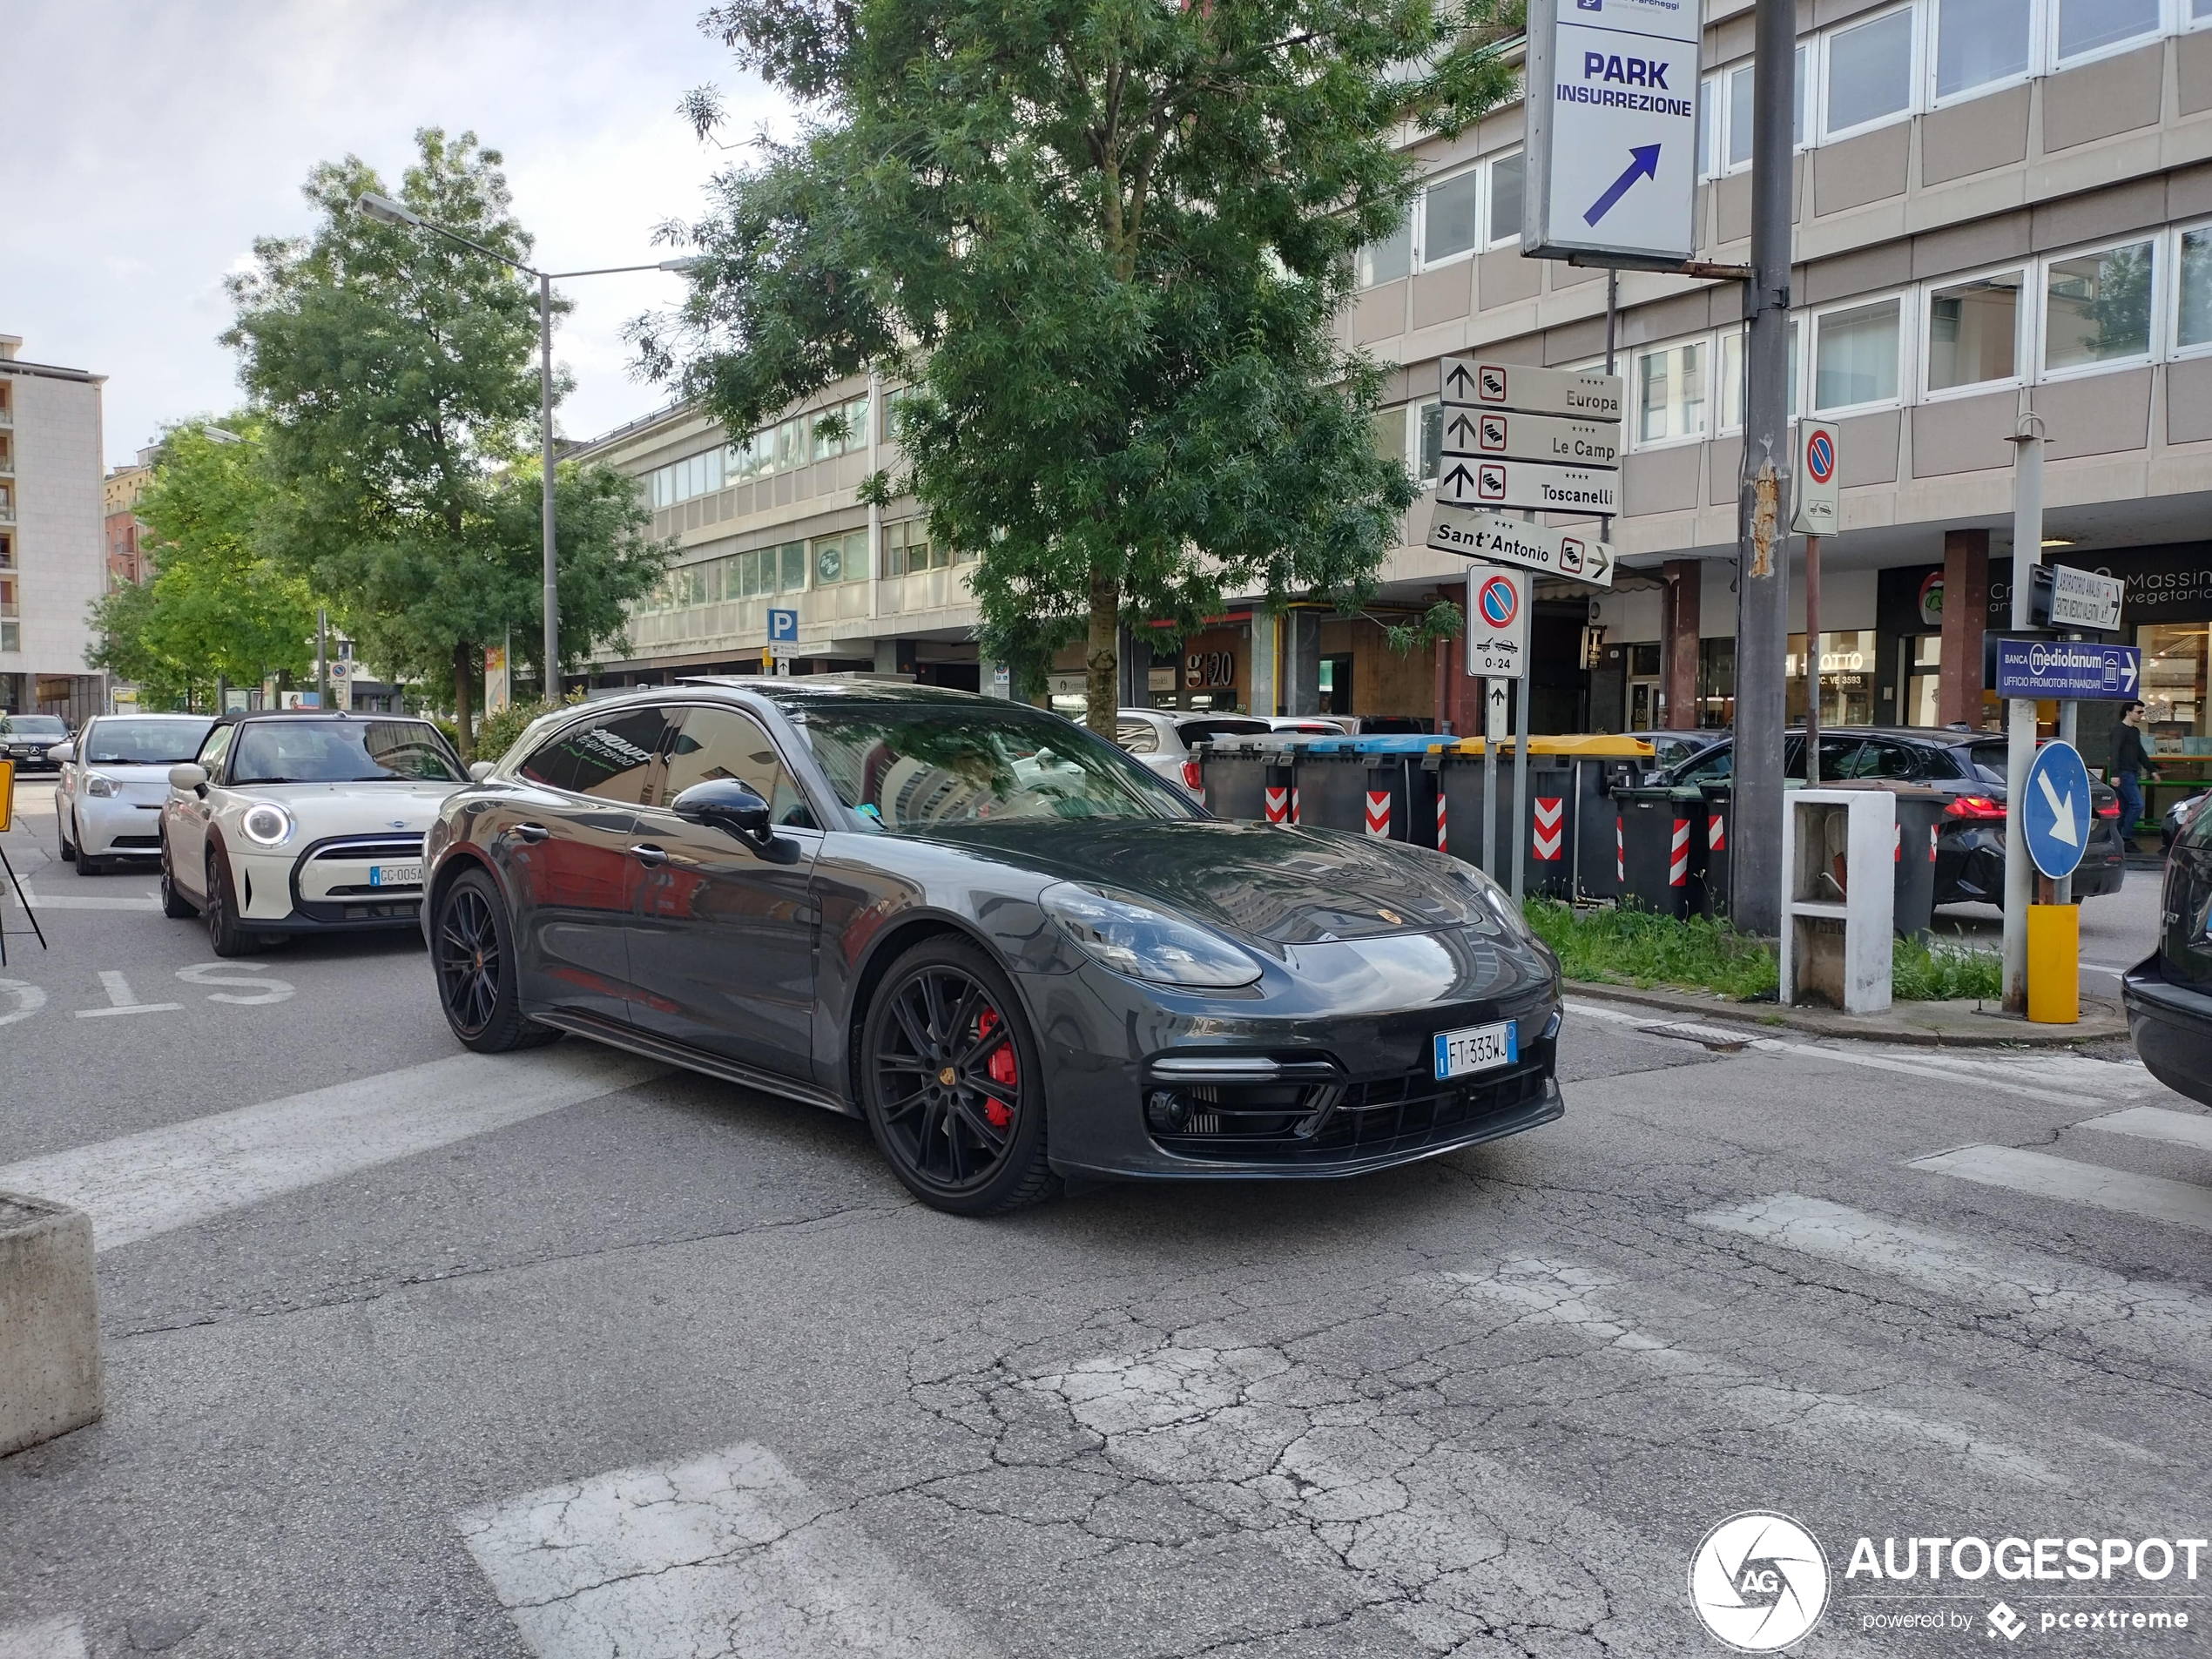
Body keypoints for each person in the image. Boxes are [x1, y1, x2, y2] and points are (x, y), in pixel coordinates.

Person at [2111, 700, 2159, 849]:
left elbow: (2140, 752)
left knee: (2125, 808)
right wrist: (2115, 774)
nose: (2141, 715)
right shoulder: (2119, 730)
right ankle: (2125, 838)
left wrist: (2152, 770)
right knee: (2137, 804)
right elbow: (2114, 752)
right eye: (2139, 712)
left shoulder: (2134, 731)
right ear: (2128, 712)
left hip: (2129, 773)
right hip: (2124, 774)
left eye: (2142, 712)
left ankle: (2116, 838)